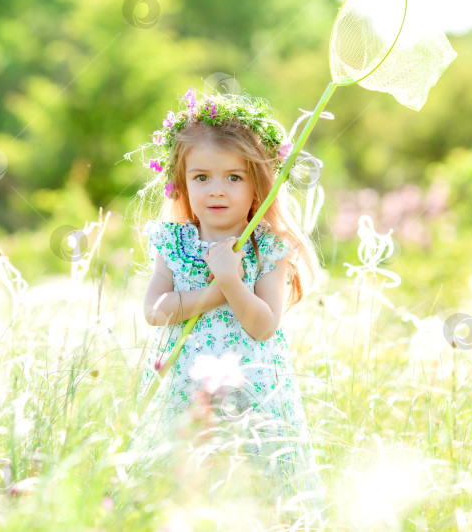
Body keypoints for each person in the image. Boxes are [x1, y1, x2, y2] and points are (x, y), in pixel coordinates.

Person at [127, 86, 328, 525]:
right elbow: (156, 310)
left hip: (252, 390)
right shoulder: (175, 241)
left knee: (253, 486)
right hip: (186, 386)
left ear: (257, 185)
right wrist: (217, 290)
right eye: (202, 177)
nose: (217, 190)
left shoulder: (268, 248)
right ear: (182, 184)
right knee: (185, 483)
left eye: (233, 177)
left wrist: (235, 281)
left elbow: (263, 326)